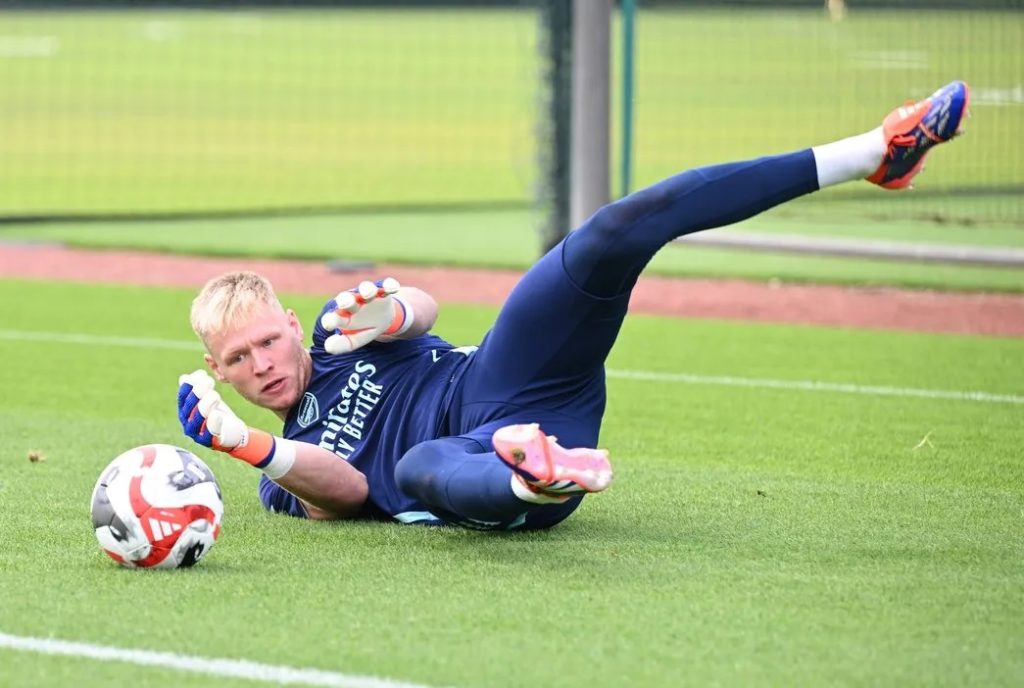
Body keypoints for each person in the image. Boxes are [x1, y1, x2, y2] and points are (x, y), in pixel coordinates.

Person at [177, 81, 970, 529]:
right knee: (419, 466)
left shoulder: (334, 333)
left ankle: (874, 153)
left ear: (287, 323)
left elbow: (420, 308)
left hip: (500, 374)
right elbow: (345, 492)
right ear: (220, 371)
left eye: (265, 343)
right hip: (476, 454)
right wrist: (246, 443)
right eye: (239, 362)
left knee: (609, 232)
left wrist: (396, 310)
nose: (262, 367)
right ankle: (540, 479)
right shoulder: (279, 477)